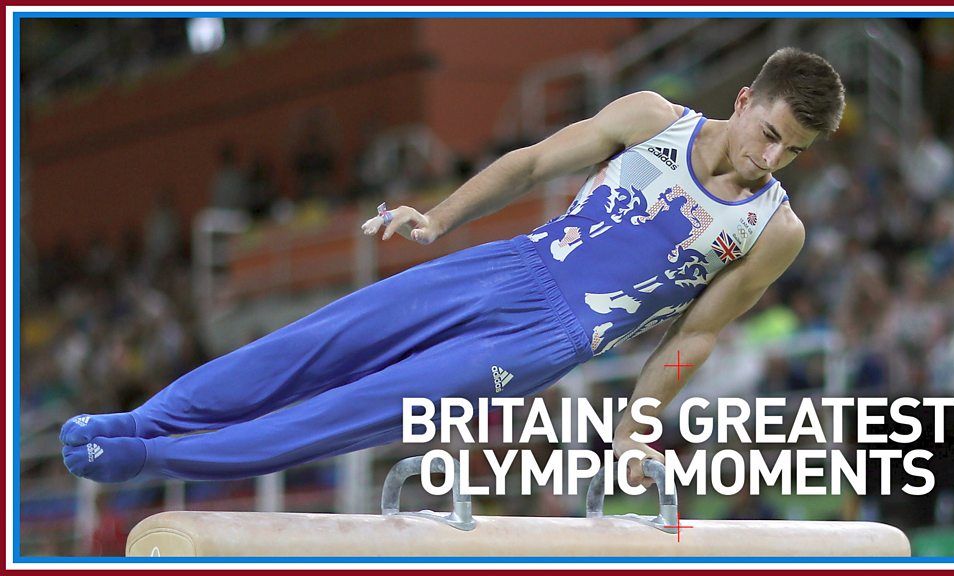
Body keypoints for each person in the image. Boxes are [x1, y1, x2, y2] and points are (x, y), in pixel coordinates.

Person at [61, 48, 844, 486]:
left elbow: (695, 337)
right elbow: (534, 161)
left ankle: (152, 458)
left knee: (360, 407)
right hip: (507, 265)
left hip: (552, 337)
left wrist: (634, 434)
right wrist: (439, 218)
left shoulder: (775, 229)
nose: (771, 159)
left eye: (794, 152)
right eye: (769, 134)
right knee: (316, 344)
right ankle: (135, 424)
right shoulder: (653, 119)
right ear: (745, 98)